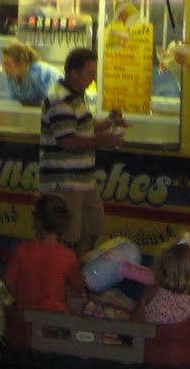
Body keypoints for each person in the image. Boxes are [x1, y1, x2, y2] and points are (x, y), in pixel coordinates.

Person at [39, 48, 125, 257]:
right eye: (89, 74)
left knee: (92, 229)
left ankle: (76, 272)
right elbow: (68, 141)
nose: (92, 80)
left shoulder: (76, 97)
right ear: (73, 73)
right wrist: (104, 140)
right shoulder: (61, 100)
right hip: (66, 182)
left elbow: (81, 128)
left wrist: (108, 123)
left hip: (84, 181)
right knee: (68, 236)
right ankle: (64, 278)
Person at [2, 193, 86, 314]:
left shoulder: (22, 250)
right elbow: (79, 288)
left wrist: (23, 299)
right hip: (56, 318)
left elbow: (8, 282)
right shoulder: (69, 257)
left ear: (38, 223)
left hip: (25, 316)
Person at [133, 239, 190, 326]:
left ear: (160, 268)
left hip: (154, 339)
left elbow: (135, 322)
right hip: (182, 339)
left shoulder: (151, 293)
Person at [0, 41, 58, 105]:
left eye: (7, 64)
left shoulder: (40, 74)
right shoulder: (11, 76)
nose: (4, 68)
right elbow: (16, 101)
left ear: (22, 62)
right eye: (3, 63)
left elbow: (52, 101)